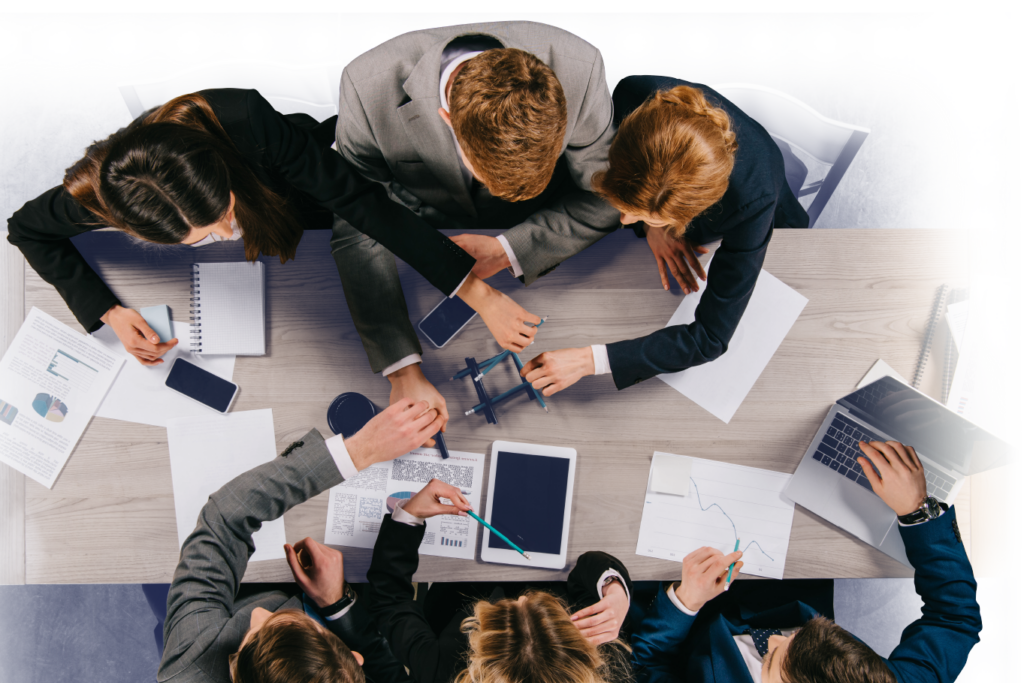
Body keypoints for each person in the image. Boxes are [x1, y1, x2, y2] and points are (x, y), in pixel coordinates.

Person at [6, 88, 533, 392]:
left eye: (222, 214)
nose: (223, 235)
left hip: (300, 199)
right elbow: (24, 229)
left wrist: (477, 293)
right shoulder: (94, 199)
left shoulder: (246, 120)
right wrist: (108, 312)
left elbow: (362, 204)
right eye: (201, 238)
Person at [331, 21, 621, 436]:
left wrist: (509, 248)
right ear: (446, 118)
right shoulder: (366, 86)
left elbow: (607, 193)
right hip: (419, 229)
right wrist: (401, 370)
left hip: (541, 236)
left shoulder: (580, 69)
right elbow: (356, 221)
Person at [632, 439, 981, 683]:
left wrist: (685, 602)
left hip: (678, 619)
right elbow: (954, 618)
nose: (776, 639)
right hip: (790, 578)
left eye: (772, 660)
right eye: (802, 635)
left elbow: (644, 667)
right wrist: (917, 510)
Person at [157, 398, 443, 683]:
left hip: (219, 602)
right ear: (355, 661)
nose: (258, 614)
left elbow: (223, 521)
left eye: (251, 636)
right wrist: (336, 606)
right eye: (281, 621)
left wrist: (358, 451)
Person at [521, 75, 810, 395]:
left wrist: (589, 361)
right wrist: (651, 226)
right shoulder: (634, 95)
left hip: (771, 219)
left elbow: (711, 339)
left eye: (642, 216)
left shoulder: (753, 206)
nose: (624, 220)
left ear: (687, 216)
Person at [366, 479, 636, 683]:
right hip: (552, 565)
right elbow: (587, 567)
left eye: (516, 606)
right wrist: (615, 589)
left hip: (459, 580)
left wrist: (409, 516)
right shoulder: (611, 676)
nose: (520, 597)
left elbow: (389, 600)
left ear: (480, 647)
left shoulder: (441, 682)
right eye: (531, 605)